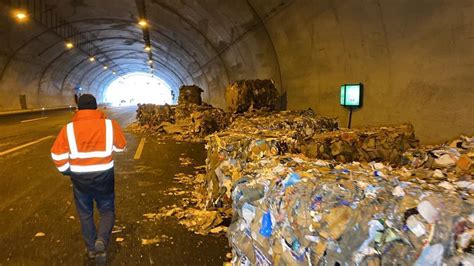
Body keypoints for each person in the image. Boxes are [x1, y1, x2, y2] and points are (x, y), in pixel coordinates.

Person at [51, 94, 126, 264]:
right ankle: (102, 240)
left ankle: (91, 249)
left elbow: (57, 154)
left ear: (78, 109)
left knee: (85, 213)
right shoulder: (109, 125)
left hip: (80, 178)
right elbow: (121, 147)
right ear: (96, 107)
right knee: (107, 209)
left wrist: (66, 171)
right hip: (104, 176)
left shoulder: (68, 129)